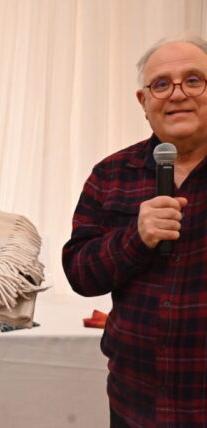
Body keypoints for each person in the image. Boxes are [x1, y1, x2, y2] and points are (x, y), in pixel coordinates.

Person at [63, 34, 207, 427]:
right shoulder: (111, 174)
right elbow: (79, 274)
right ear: (144, 102)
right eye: (161, 84)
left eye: (193, 80)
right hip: (136, 403)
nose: (177, 94)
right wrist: (135, 238)